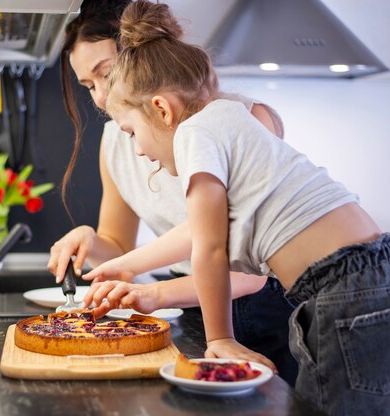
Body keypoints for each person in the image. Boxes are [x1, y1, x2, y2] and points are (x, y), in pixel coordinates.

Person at [81, 1, 390, 414]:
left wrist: (220, 338)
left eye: (131, 132)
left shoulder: (193, 135)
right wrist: (127, 263)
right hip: (381, 275)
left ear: (162, 109)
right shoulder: (230, 117)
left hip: (343, 292)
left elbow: (209, 249)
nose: (137, 149)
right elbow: (207, 230)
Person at [48, 0, 298, 385]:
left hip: (259, 309)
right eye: (88, 85)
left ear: (139, 54)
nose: (99, 97)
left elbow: (244, 269)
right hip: (193, 308)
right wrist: (91, 241)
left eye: (105, 74)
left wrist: (157, 294)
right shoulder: (117, 140)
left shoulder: (232, 121)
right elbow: (119, 245)